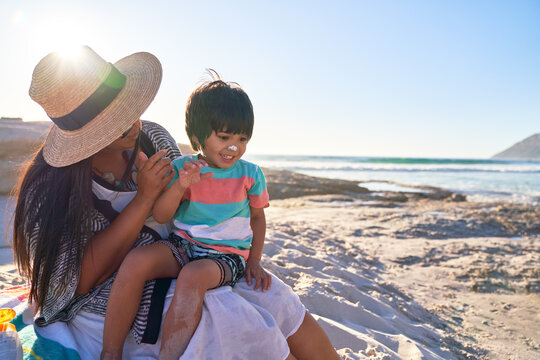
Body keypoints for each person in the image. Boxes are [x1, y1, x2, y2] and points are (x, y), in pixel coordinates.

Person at [13, 46, 340, 359]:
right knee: (235, 321)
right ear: (82, 133)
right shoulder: (50, 188)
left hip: (181, 255)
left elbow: (192, 208)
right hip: (110, 298)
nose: (132, 123)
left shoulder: (152, 138)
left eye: (128, 109)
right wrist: (144, 200)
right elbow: (79, 281)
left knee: (275, 296)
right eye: (113, 122)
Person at [102, 73, 273, 359]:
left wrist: (254, 260)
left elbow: (257, 219)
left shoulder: (250, 174)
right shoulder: (183, 168)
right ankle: (110, 352)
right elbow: (161, 213)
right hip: (183, 246)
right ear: (196, 137)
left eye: (242, 139)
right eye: (224, 137)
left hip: (226, 256)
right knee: (135, 262)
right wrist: (181, 185)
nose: (234, 147)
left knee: (193, 276)